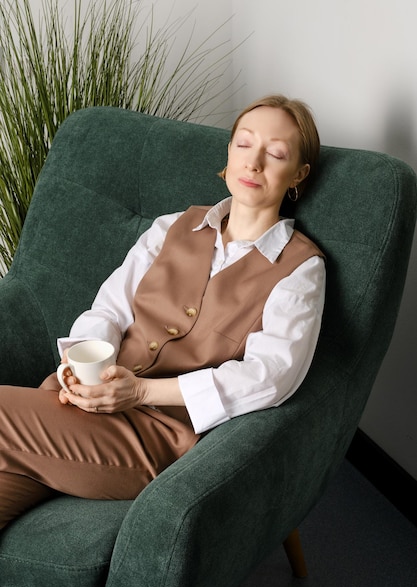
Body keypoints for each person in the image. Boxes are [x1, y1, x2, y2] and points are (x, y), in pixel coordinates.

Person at [0, 94, 325, 529]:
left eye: (277, 153)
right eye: (244, 144)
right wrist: (82, 365)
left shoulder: (301, 269)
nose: (254, 162)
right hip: (81, 406)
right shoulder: (170, 227)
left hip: (158, 438)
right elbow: (109, 310)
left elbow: (269, 378)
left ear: (298, 175)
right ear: (228, 154)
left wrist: (140, 393)